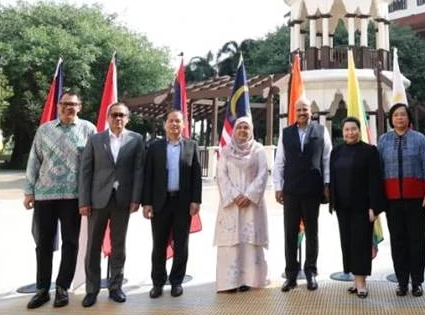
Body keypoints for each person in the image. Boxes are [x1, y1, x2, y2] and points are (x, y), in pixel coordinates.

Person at [24, 90, 97, 310]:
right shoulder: (44, 130)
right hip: (45, 196)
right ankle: (42, 289)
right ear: (58, 106)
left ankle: (63, 287)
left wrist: (90, 196)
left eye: (73, 104)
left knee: (71, 243)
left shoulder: (89, 130)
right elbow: (34, 161)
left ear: (80, 107)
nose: (69, 107)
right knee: (43, 243)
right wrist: (29, 191)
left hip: (74, 197)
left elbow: (94, 165)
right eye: (65, 103)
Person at [78, 101, 144, 307]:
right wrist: (84, 200)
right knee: (93, 247)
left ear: (127, 119)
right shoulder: (95, 139)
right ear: (108, 118)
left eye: (121, 115)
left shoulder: (136, 139)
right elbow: (85, 172)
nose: (118, 119)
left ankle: (115, 287)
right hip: (97, 201)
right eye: (114, 115)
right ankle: (91, 290)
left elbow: (138, 171)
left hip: (122, 201)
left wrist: (136, 198)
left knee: (118, 246)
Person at [377, 103, 425, 297]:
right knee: (398, 241)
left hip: (417, 199)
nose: (400, 118)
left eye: (403, 115)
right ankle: (402, 281)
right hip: (392, 200)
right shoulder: (384, 140)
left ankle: (417, 281)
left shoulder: (419, 139)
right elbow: (379, 169)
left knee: (417, 241)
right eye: (396, 115)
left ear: (408, 118)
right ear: (391, 119)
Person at [142, 109, 202, 299]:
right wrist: (147, 203)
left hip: (183, 203)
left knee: (181, 244)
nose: (174, 124)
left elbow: (196, 176)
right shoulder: (154, 147)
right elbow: (148, 176)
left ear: (184, 125)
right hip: (161, 202)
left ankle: (176, 281)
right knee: (158, 244)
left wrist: (196, 200)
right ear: (165, 124)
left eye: (178, 121)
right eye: (171, 121)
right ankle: (158, 282)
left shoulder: (192, 146)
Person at [274, 97, 332, 292]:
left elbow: (327, 159)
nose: (301, 113)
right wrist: (278, 186)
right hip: (291, 190)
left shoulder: (321, 131)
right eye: (298, 110)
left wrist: (327, 184)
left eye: (305, 110)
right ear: (294, 112)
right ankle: (291, 275)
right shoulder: (286, 133)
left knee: (312, 233)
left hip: (312, 190)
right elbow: (279, 161)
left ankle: (311, 273)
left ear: (311, 111)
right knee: (290, 233)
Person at [329, 116, 386, 298]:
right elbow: (333, 178)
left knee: (361, 243)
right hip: (342, 206)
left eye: (353, 129)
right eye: (346, 129)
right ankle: (354, 278)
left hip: (362, 207)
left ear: (359, 131)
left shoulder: (369, 151)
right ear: (342, 131)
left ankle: (361, 282)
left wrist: (374, 207)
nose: (350, 132)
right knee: (347, 243)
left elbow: (375, 181)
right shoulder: (336, 152)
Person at [214, 116, 269, 292]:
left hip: (252, 205)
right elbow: (221, 175)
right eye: (239, 128)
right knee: (231, 243)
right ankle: (230, 282)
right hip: (231, 205)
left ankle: (249, 280)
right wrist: (235, 195)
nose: (243, 131)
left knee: (250, 242)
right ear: (234, 130)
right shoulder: (226, 151)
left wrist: (249, 195)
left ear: (251, 130)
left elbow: (263, 174)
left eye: (246, 127)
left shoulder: (258, 150)